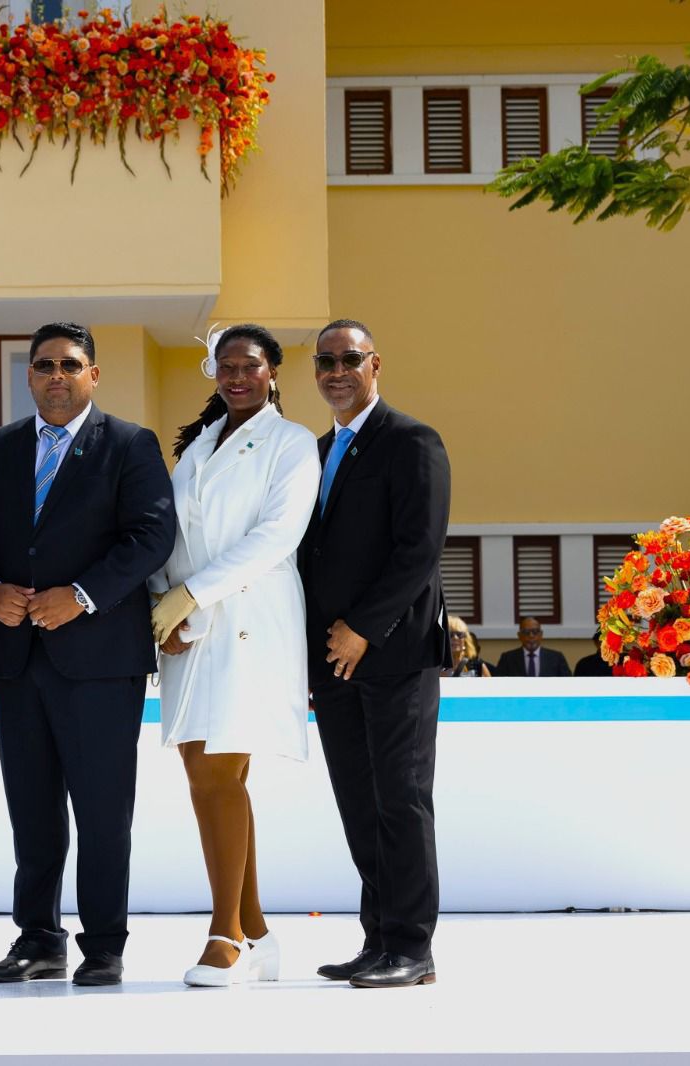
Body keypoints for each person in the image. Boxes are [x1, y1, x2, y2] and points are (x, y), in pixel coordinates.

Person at [0, 321, 174, 987]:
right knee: (32, 809)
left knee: (102, 810)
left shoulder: (130, 444)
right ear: (29, 375)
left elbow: (151, 535)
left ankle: (103, 945)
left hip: (100, 661)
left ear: (92, 375)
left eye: (70, 365)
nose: (57, 375)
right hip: (16, 658)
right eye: (45, 365)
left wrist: (80, 596)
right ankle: (38, 940)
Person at [148, 324, 320, 987]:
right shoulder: (198, 445)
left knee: (220, 771)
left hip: (249, 620)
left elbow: (278, 534)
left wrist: (190, 594)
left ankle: (226, 936)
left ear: (273, 371)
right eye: (227, 367)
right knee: (206, 772)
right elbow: (172, 533)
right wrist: (164, 602)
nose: (238, 377)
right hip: (188, 626)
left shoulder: (291, 443)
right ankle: (259, 934)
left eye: (250, 365)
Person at [300, 318, 451, 989]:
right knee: (360, 804)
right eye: (325, 361)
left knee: (401, 800)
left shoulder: (412, 441)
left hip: (393, 654)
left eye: (350, 359)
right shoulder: (316, 452)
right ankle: (379, 939)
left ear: (375, 364)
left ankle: (413, 948)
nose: (337, 372)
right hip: (333, 663)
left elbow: (419, 550)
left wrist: (363, 627)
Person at [495, 618, 572, 677]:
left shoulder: (557, 658)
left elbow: (568, 684)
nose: (531, 636)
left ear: (541, 635)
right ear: (519, 635)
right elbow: (499, 685)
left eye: (535, 632)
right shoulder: (507, 659)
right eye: (526, 632)